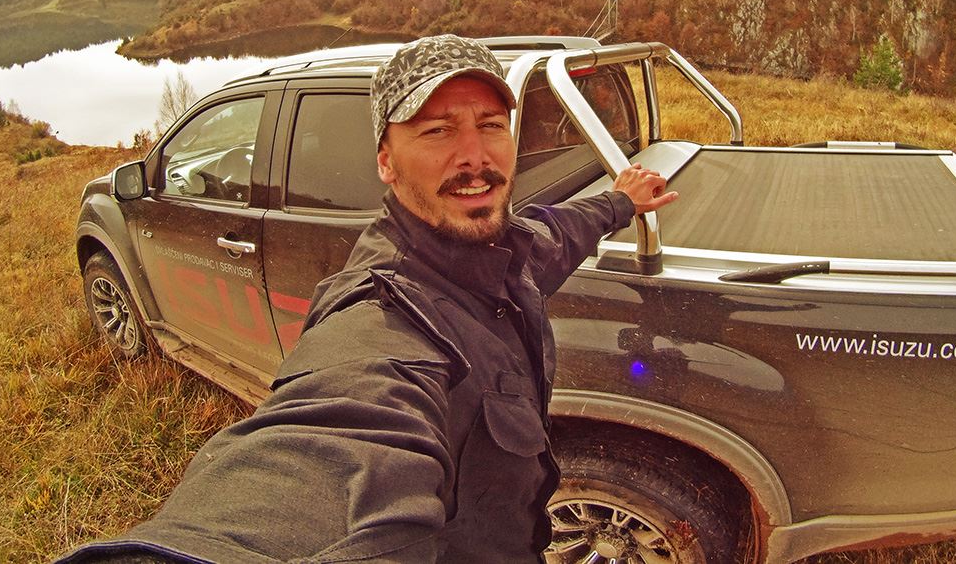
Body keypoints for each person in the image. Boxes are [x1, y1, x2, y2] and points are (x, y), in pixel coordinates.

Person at [58, 34, 677, 563]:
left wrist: (620, 201)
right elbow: (332, 443)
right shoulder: (381, 318)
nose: (475, 156)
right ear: (385, 160)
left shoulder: (505, 248)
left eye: (491, 126)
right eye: (437, 131)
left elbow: (555, 233)